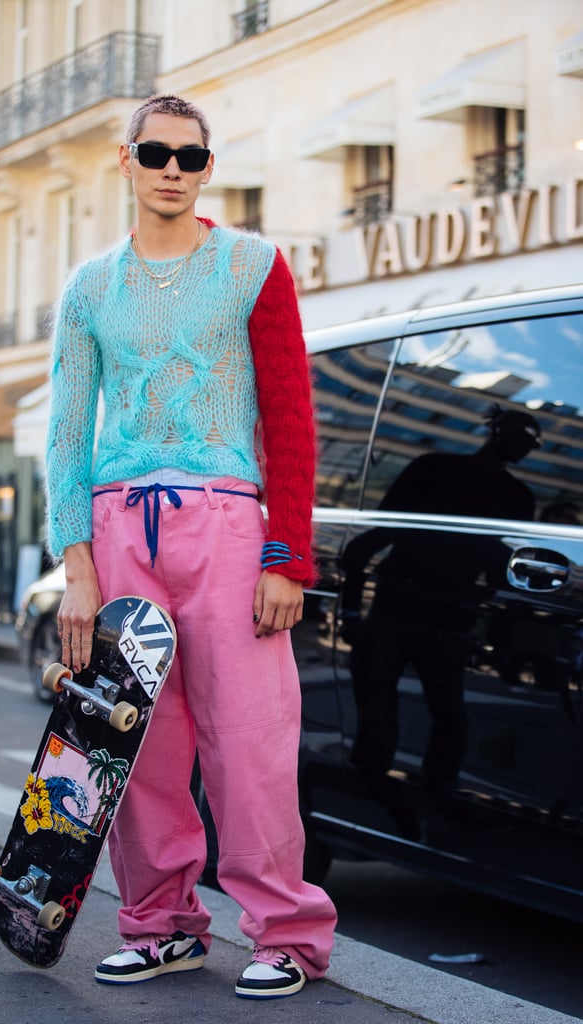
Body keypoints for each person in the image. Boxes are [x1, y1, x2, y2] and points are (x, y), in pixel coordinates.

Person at [46, 93, 336, 1000]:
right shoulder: (90, 288)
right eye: (157, 152)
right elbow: (66, 433)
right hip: (119, 524)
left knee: (250, 741)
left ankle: (285, 931)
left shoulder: (252, 266)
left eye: (192, 156)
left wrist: (286, 556)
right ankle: (162, 925)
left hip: (225, 524)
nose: (174, 168)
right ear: (124, 161)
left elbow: (290, 417)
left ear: (207, 168)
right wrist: (78, 569)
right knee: (139, 743)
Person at [341, 407, 540, 819]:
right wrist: (351, 613)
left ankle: (435, 800)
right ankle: (372, 802)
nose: (528, 446)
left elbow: (500, 570)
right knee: (378, 715)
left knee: (450, 718)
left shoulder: (519, 498)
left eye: (534, 442)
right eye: (524, 436)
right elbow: (375, 535)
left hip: (450, 619)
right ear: (498, 430)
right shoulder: (434, 468)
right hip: (397, 608)